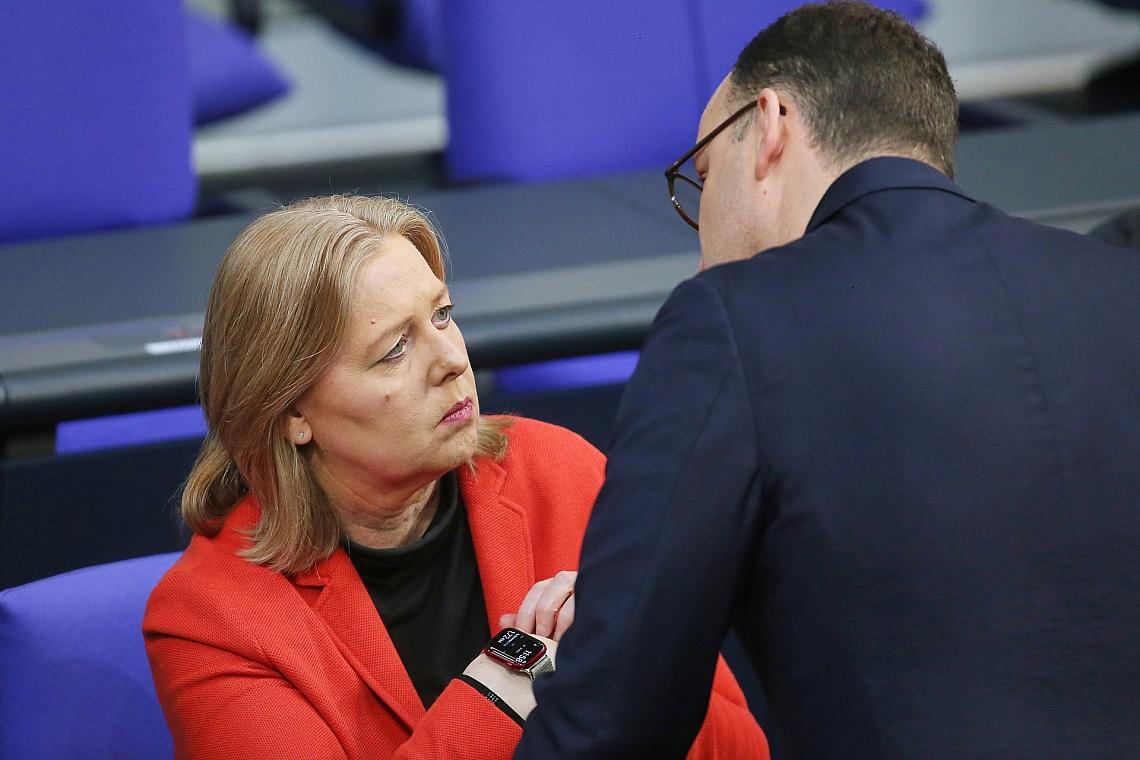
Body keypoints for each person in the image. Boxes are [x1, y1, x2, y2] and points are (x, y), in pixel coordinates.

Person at [517, 3, 1140, 758]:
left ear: (770, 124)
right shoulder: (1120, 286)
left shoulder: (730, 321)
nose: (702, 243)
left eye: (704, 177)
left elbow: (610, 724)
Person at [141, 195, 766, 759]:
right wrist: (510, 676)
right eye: (394, 349)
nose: (452, 358)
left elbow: (739, 750)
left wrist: (632, 659)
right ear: (292, 412)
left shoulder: (561, 472)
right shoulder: (215, 620)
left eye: (442, 315)